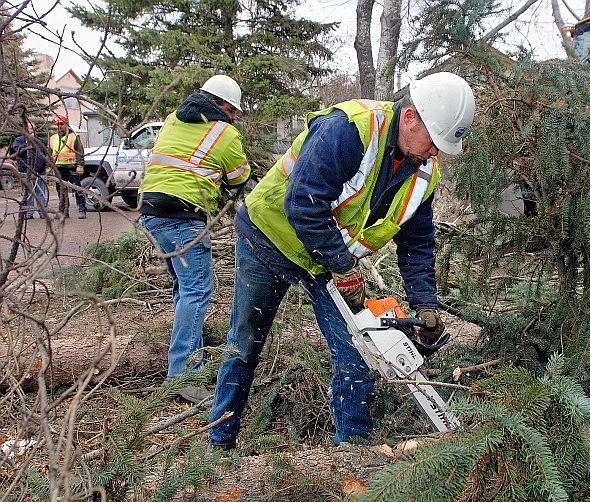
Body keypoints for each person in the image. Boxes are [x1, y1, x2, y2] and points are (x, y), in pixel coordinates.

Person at [208, 71, 475, 449]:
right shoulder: (350, 129)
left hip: (325, 260)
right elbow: (303, 203)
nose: (435, 153)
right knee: (245, 344)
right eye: (434, 141)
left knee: (356, 351)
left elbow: (417, 245)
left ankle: (353, 452)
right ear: (411, 116)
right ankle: (218, 446)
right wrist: (344, 266)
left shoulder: (424, 174)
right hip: (269, 237)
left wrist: (425, 303)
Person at [139, 75, 251, 404]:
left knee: (182, 289)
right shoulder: (225, 133)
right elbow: (240, 176)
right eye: (233, 111)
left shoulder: (174, 118)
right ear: (223, 106)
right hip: (184, 216)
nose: (233, 118)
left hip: (151, 212)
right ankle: (184, 376)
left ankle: (183, 366)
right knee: (197, 291)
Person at [49, 115, 87, 219]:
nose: (59, 127)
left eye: (61, 124)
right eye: (58, 125)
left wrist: (80, 165)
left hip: (72, 167)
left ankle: (82, 209)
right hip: (58, 168)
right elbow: (50, 153)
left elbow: (80, 152)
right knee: (61, 191)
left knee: (77, 189)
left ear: (66, 124)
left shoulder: (74, 136)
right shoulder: (53, 138)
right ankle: (63, 211)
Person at [11, 121, 49, 219]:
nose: (30, 130)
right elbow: (17, 152)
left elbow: (46, 154)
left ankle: (42, 212)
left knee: (40, 193)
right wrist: (28, 144)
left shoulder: (41, 141)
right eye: (28, 128)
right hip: (25, 171)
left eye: (31, 128)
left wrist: (44, 167)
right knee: (27, 193)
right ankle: (29, 213)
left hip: (40, 171)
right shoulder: (19, 141)